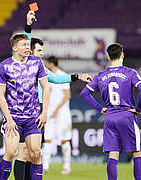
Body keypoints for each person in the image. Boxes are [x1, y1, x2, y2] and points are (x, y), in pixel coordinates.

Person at [13, 10, 92, 180]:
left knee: (34, 152)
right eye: (39, 50)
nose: (42, 53)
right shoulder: (25, 62)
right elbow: (26, 41)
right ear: (30, 51)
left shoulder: (39, 66)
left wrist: (77, 76)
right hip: (23, 110)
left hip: (37, 109)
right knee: (23, 151)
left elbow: (56, 78)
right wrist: (28, 24)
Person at [80, 43, 141, 180]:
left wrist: (100, 108)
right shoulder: (130, 72)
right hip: (127, 115)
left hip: (110, 117)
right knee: (137, 152)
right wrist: (138, 109)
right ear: (122, 55)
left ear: (108, 56)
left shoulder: (101, 75)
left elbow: (84, 93)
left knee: (113, 153)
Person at [0, 31, 49, 180]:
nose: (27, 47)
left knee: (36, 153)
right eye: (23, 45)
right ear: (14, 48)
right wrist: (9, 119)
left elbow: (46, 87)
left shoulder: (37, 63)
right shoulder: (4, 67)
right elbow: (0, 95)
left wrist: (44, 112)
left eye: (28, 45)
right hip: (14, 118)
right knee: (11, 152)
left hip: (33, 118)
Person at [43, 56, 72, 175]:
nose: (44, 64)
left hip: (62, 114)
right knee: (47, 139)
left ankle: (67, 166)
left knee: (64, 140)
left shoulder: (62, 75)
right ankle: (45, 166)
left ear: (51, 64)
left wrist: (57, 109)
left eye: (46, 63)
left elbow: (67, 95)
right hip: (49, 112)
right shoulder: (46, 76)